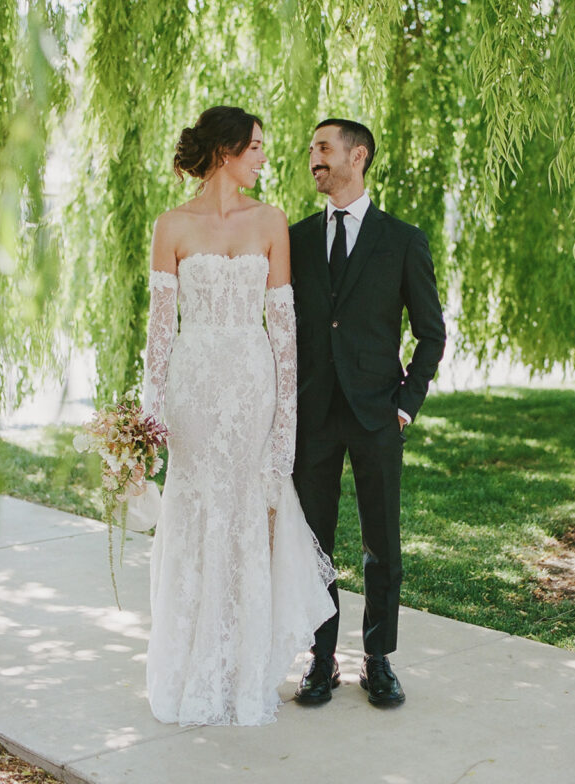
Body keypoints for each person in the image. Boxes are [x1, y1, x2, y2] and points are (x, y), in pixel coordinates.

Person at [141, 105, 335, 727]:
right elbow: (159, 335)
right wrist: (148, 420)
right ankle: (193, 667)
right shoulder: (170, 225)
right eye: (254, 147)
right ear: (225, 151)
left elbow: (284, 335)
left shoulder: (271, 222)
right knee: (198, 516)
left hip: (251, 386)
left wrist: (285, 432)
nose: (264, 158)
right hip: (193, 390)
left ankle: (243, 672)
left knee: (247, 515)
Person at [289, 118, 446, 708]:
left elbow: (432, 335)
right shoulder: (296, 237)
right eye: (311, 150)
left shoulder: (403, 240)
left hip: (379, 413)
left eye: (323, 149)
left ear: (358, 157)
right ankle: (321, 659)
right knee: (314, 542)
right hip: (315, 414)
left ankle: (377, 658)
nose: (313, 158)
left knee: (382, 540)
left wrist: (405, 407)